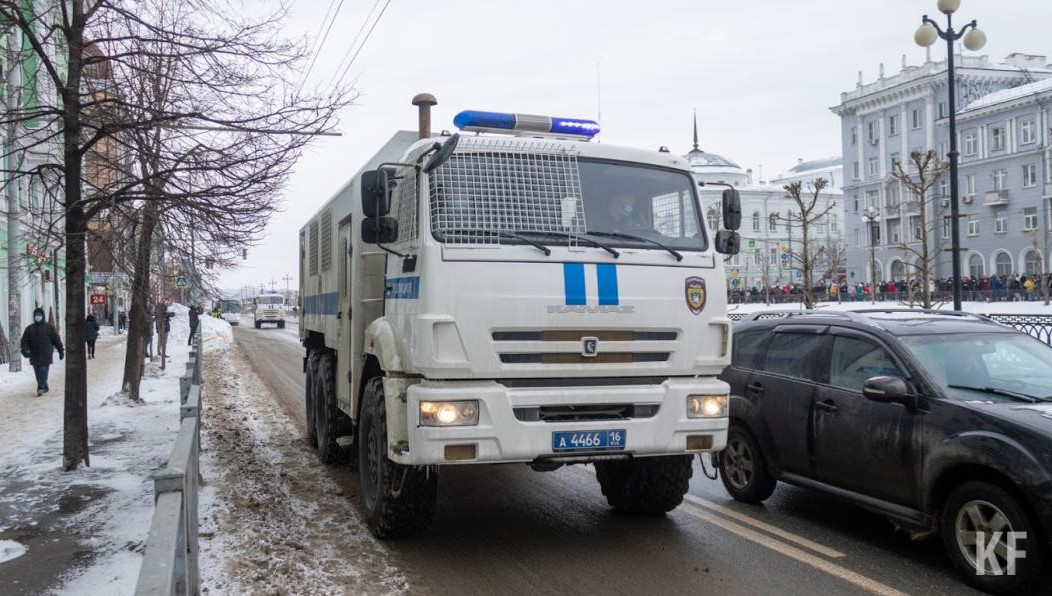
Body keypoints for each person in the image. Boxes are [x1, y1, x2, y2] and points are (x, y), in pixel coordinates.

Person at [20, 307, 64, 396]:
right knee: (38, 373)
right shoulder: (29, 329)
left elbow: (56, 340)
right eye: (36, 315)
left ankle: (40, 388)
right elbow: (24, 341)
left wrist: (60, 350)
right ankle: (45, 386)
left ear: (43, 316)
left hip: (46, 354)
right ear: (34, 316)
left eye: (39, 315)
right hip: (34, 355)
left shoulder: (49, 328)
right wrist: (24, 350)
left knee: (43, 371)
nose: (38, 317)